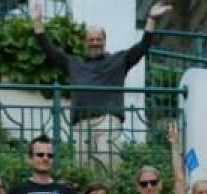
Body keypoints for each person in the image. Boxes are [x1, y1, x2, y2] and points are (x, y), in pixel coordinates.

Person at [31, 2, 173, 169]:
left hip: (108, 119)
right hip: (81, 122)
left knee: (108, 162)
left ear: (104, 41)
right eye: (91, 39)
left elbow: (142, 47)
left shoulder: (119, 60)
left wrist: (151, 19)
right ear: (85, 42)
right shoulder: (74, 63)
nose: (94, 42)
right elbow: (50, 51)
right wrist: (37, 22)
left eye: (98, 39)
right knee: (82, 168)